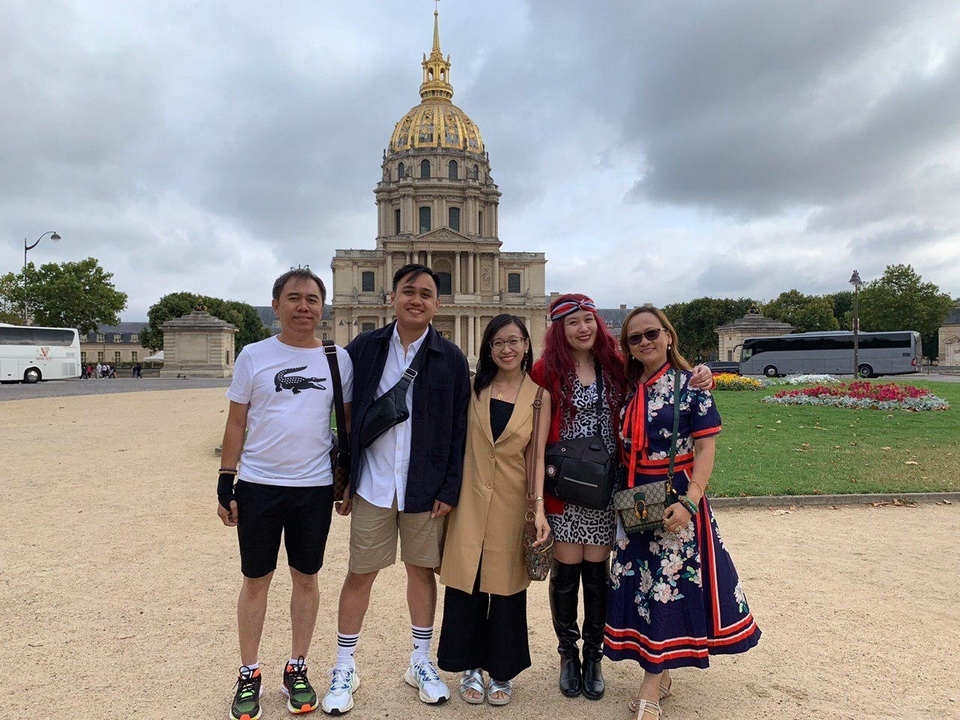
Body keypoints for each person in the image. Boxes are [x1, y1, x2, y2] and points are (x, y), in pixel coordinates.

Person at [530, 294, 713, 702]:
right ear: (559, 330)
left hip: (607, 489)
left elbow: (664, 381)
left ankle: (593, 655)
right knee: (565, 573)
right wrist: (537, 499)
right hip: (564, 486)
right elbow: (536, 437)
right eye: (573, 322)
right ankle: (568, 654)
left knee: (597, 574)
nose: (583, 328)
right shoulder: (547, 370)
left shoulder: (615, 367)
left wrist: (701, 374)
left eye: (588, 320)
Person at [321, 264, 470, 716]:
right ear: (392, 297)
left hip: (425, 487)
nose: (417, 300)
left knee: (421, 573)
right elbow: (337, 412)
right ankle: (345, 665)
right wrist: (342, 476)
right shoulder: (363, 348)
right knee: (360, 573)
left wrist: (450, 486)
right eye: (409, 291)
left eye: (426, 293)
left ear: (437, 304)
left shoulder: (451, 357)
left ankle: (420, 661)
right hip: (372, 483)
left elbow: (459, 427)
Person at [604, 306, 761, 720]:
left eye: (651, 333)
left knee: (665, 592)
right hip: (635, 500)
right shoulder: (624, 386)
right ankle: (664, 671)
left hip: (675, 499)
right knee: (644, 591)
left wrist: (691, 500)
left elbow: (706, 448)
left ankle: (651, 685)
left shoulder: (691, 386)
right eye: (634, 338)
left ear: (668, 336)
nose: (644, 342)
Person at [217, 268, 353, 720]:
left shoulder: (338, 359)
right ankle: (249, 670)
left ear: (322, 308)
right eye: (294, 298)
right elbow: (236, 422)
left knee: (306, 578)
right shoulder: (254, 355)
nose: (303, 306)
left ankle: (297, 666)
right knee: (256, 580)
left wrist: (346, 475)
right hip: (258, 485)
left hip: (312, 488)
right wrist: (225, 477)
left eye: (312, 299)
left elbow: (346, 425)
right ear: (276, 305)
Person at [436, 314, 552, 706]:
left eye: (514, 341)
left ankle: (501, 670)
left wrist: (538, 508)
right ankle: (469, 664)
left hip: (511, 498)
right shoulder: (474, 388)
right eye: (498, 342)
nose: (506, 349)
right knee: (466, 583)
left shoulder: (539, 396)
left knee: (506, 588)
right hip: (470, 497)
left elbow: (536, 458)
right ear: (489, 348)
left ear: (526, 346)